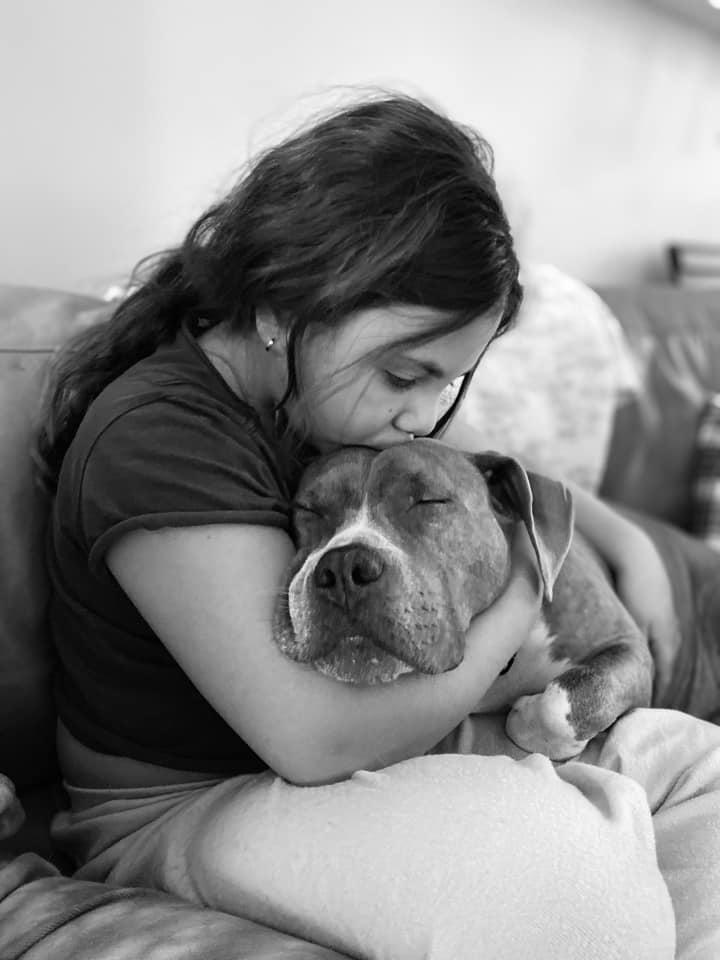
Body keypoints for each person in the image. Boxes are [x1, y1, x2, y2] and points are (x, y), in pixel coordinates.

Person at [35, 92, 718, 959]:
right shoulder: (159, 439)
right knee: (564, 876)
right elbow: (317, 740)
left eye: (448, 383)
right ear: (284, 308)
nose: (424, 414)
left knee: (704, 773)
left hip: (401, 746)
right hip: (195, 804)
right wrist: (524, 589)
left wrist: (615, 539)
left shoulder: (333, 401)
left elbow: (492, 473)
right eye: (406, 373)